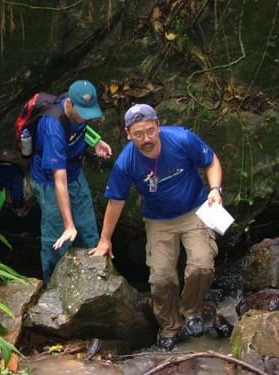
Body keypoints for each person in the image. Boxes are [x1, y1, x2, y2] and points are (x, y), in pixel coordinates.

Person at [89, 103, 223, 351]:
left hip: (195, 211)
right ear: (128, 134)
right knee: (161, 278)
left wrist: (215, 189)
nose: (146, 138)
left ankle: (191, 311)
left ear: (158, 126)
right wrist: (105, 239)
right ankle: (170, 326)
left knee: (202, 265)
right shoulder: (126, 162)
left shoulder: (182, 139)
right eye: (138, 134)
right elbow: (116, 201)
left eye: (150, 131)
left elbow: (211, 160)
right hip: (158, 220)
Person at [29, 80, 112, 285]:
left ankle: (96, 277)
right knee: (57, 236)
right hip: (50, 181)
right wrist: (68, 225)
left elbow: (80, 128)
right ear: (69, 104)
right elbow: (59, 181)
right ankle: (52, 285)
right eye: (83, 111)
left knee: (88, 227)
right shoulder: (52, 127)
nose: (86, 116)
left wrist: (96, 141)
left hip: (74, 172)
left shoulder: (78, 108)